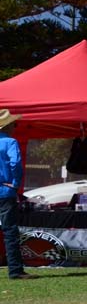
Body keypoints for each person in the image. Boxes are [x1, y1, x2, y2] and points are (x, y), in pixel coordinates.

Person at [0, 108, 31, 280]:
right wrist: (15, 184)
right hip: (5, 192)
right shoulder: (10, 142)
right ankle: (15, 270)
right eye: (14, 124)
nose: (15, 127)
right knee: (10, 230)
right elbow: (16, 164)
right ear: (7, 126)